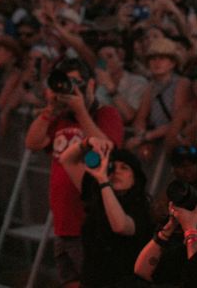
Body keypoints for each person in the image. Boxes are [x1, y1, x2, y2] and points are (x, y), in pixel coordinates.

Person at [24, 56, 124, 288]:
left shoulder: (106, 114)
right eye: (65, 82)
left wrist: (81, 112)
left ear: (91, 85)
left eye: (77, 82)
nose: (71, 89)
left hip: (92, 225)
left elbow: (106, 148)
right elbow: (32, 142)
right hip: (63, 224)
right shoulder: (59, 117)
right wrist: (50, 108)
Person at [58, 137, 151, 287]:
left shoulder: (142, 209)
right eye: (112, 167)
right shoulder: (97, 193)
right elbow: (66, 160)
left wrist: (103, 181)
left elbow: (120, 226)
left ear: (135, 178)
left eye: (124, 168)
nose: (117, 172)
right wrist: (87, 143)